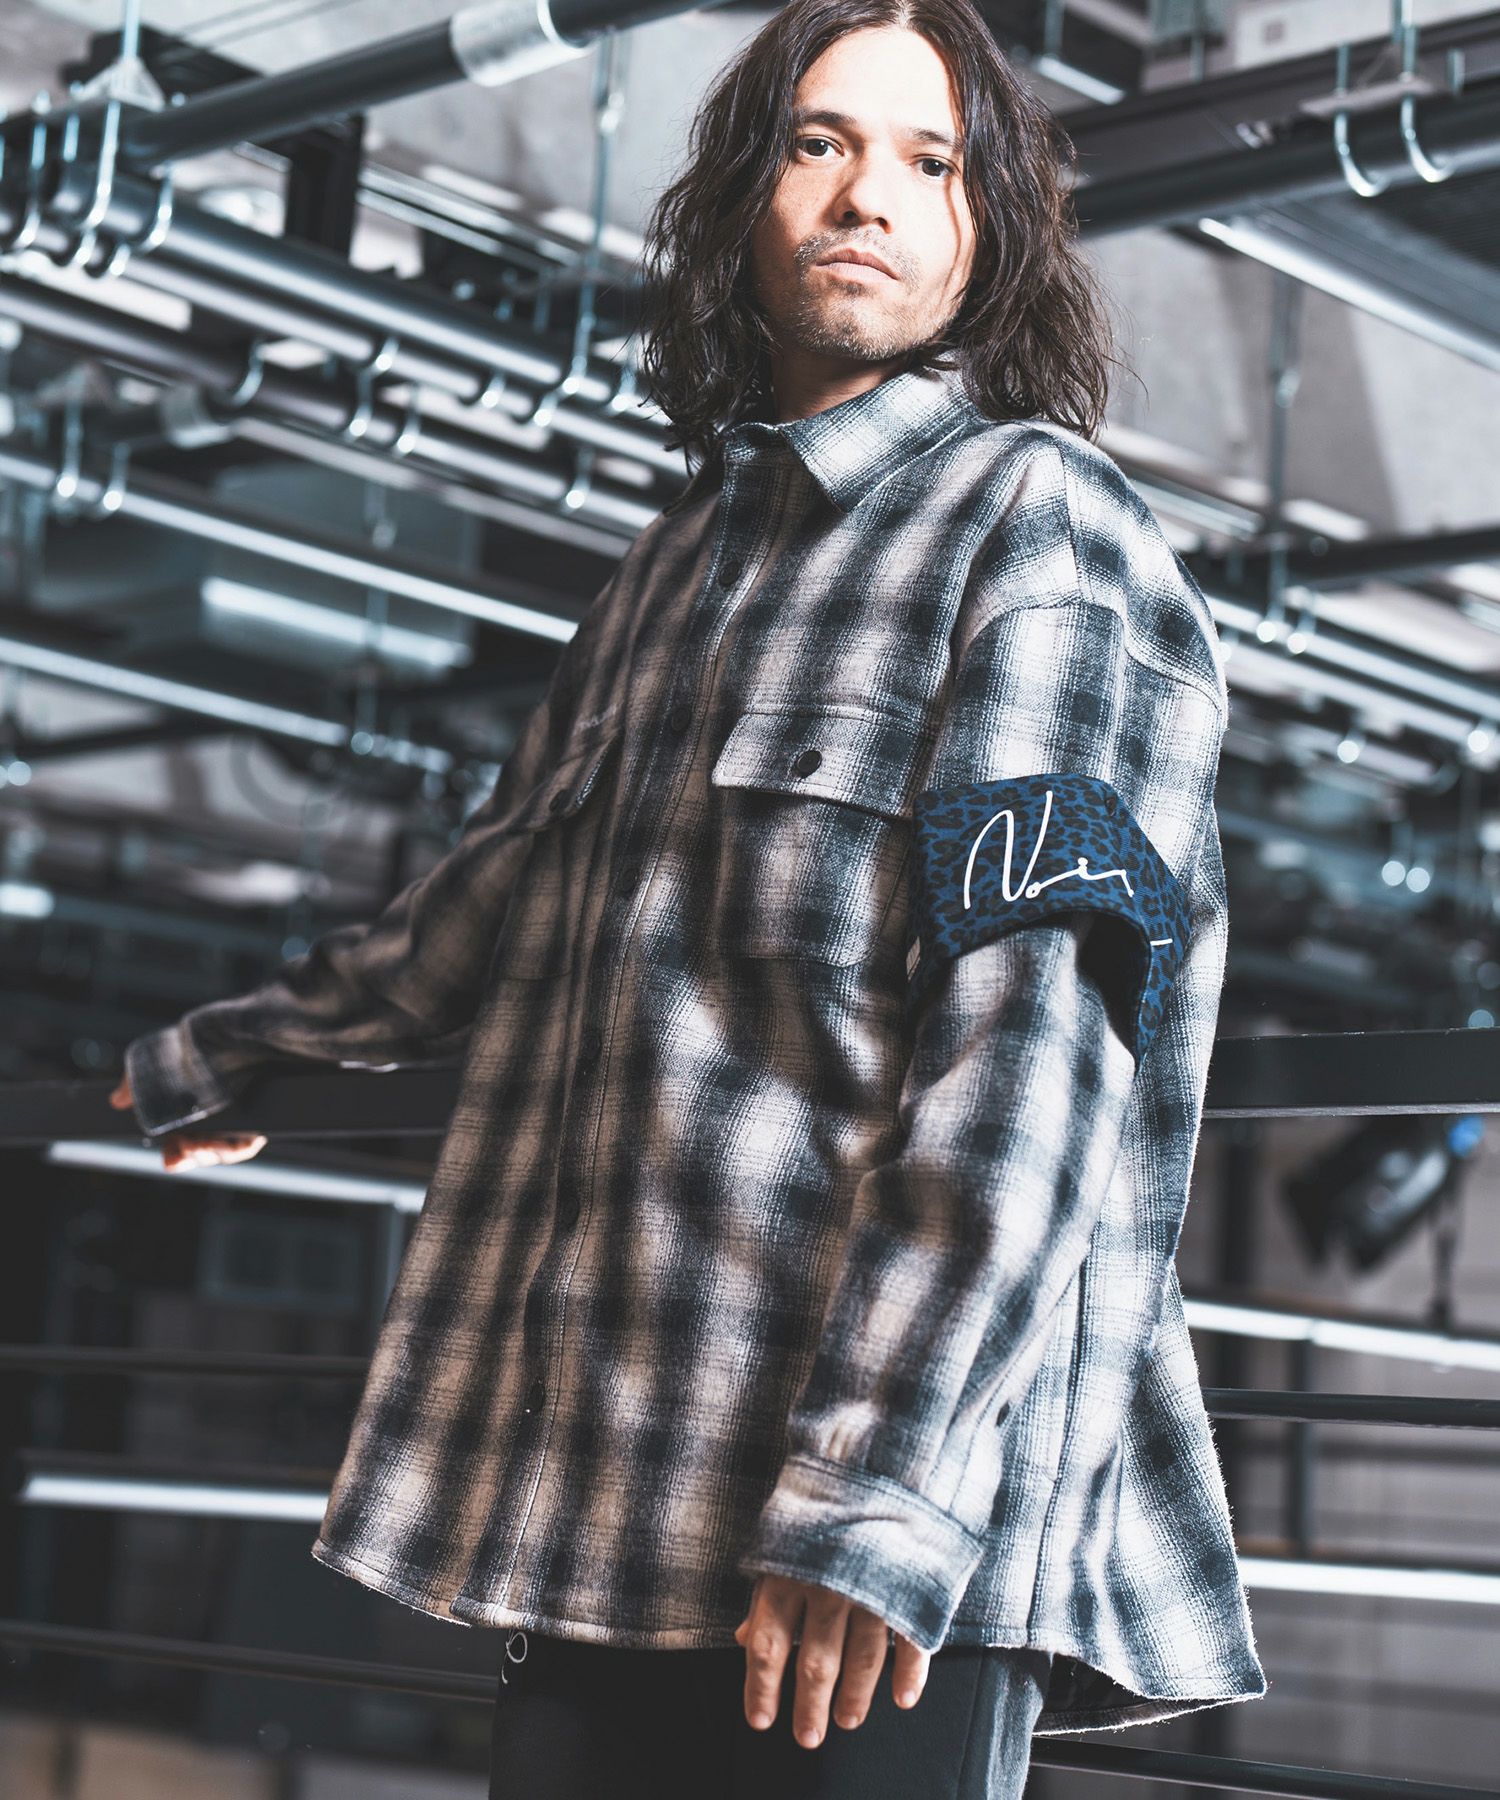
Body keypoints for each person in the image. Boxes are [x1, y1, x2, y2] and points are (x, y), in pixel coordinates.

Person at [113, 0, 1268, 1791]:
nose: (866, 195)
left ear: (988, 231)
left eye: (930, 161)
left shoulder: (1040, 530)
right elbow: (501, 895)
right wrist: (233, 1052)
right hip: (609, 1507)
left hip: (871, 1549)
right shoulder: (674, 567)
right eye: (819, 143)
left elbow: (1035, 1055)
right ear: (745, 195)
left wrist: (876, 1501)